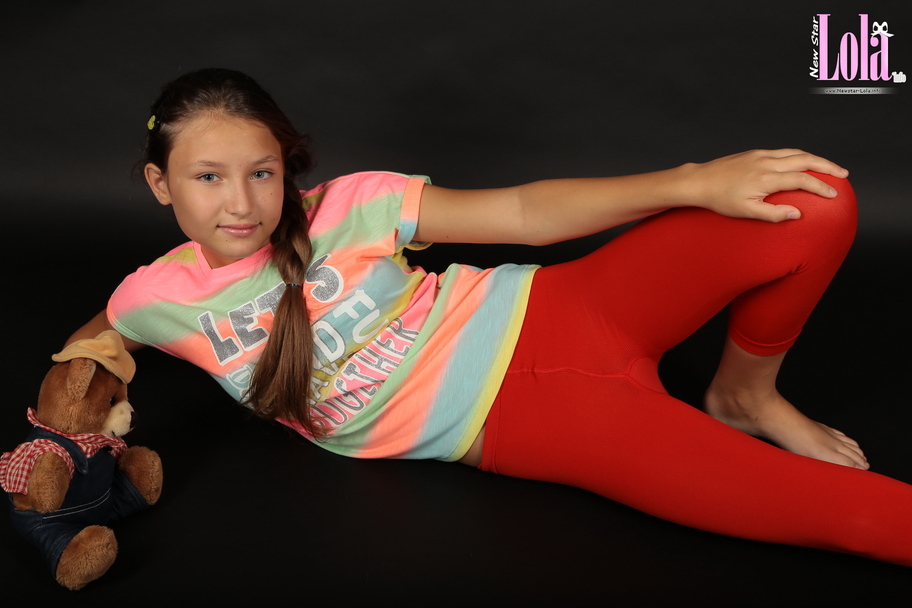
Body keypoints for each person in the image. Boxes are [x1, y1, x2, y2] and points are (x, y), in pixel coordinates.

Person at [66, 68, 912, 566]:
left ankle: (746, 394)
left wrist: (691, 182)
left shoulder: (351, 206)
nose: (242, 203)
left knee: (815, 201)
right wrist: (76, 436)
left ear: (286, 167)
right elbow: (90, 349)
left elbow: (521, 214)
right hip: (536, 422)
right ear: (160, 184)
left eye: (261, 172)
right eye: (208, 177)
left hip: (562, 308)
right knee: (866, 518)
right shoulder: (156, 298)